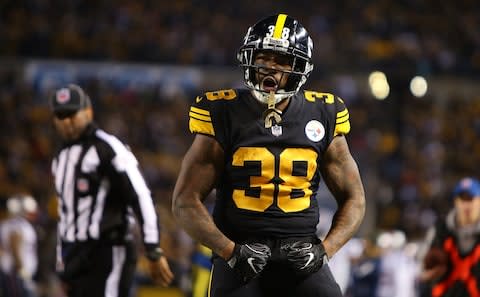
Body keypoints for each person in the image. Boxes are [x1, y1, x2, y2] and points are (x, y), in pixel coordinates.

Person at [172, 14, 366, 297]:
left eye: (282, 61)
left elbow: (355, 198)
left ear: (300, 67)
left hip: (302, 255)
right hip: (239, 254)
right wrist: (230, 251)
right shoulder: (222, 111)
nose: (270, 69)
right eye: (263, 58)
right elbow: (184, 202)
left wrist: (325, 250)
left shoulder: (324, 113)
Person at [48, 84, 173, 297]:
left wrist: (153, 248)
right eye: (61, 115)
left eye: (72, 113)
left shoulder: (108, 147)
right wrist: (63, 262)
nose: (67, 121)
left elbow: (141, 196)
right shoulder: (61, 157)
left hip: (107, 252)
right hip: (74, 257)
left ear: (88, 112)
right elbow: (67, 214)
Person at [419, 177, 480, 297]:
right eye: (462, 199)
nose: (466, 205)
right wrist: (427, 272)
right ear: (456, 202)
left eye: (471, 199)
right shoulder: (440, 230)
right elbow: (420, 266)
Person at [0, 195, 38, 297]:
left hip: (14, 272)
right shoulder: (17, 225)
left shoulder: (12, 224)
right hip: (16, 273)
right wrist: (22, 269)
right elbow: (15, 247)